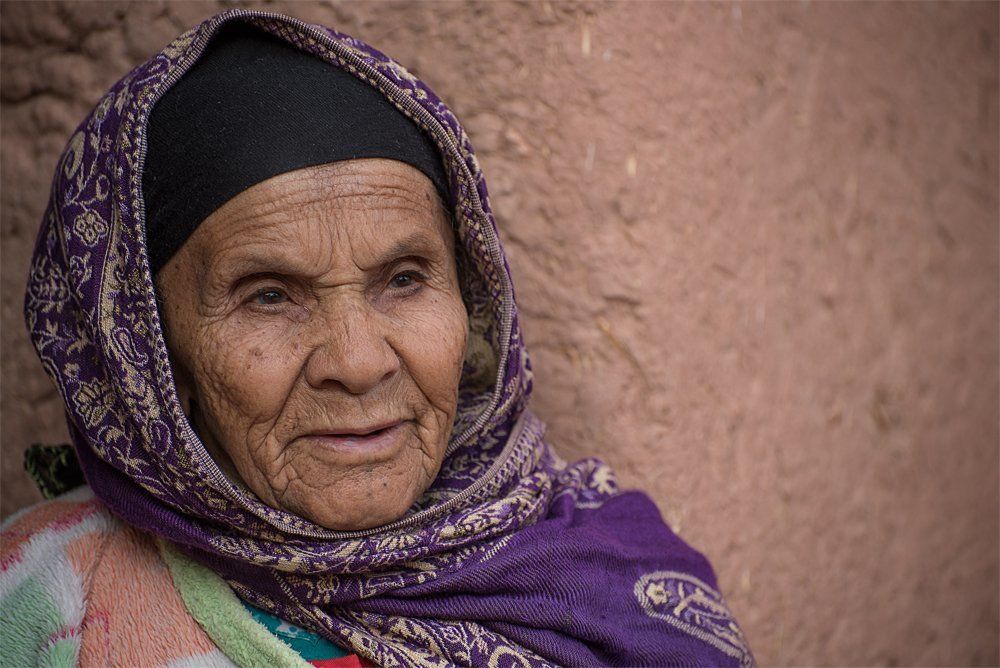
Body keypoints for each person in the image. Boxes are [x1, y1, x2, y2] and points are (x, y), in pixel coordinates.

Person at [2, 9, 753, 667]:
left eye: (404, 279)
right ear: (149, 355)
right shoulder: (42, 601)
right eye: (268, 296)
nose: (358, 364)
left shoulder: (613, 570)